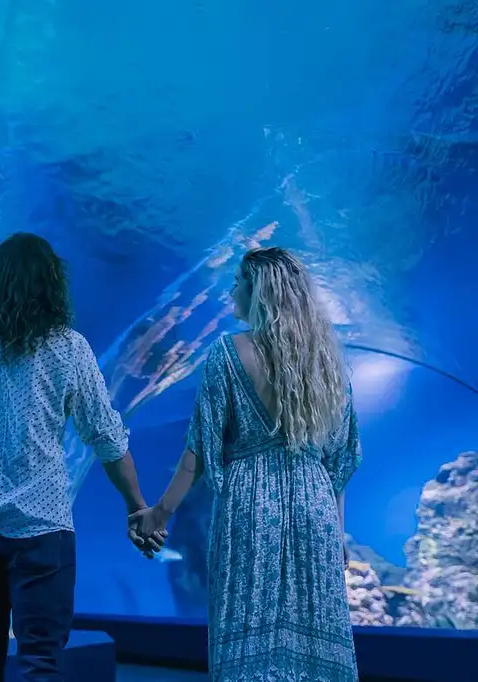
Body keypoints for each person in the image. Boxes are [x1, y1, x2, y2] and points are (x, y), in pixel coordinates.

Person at [0, 232, 163, 682]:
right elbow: (107, 438)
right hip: (41, 531)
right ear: (50, 285)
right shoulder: (68, 349)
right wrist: (137, 506)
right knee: (40, 665)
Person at [131, 246, 361, 681]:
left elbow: (197, 450)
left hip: (250, 504)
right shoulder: (329, 361)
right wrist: (337, 529)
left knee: (249, 635)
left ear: (260, 292)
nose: (231, 290)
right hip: (314, 506)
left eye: (238, 281)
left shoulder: (228, 353)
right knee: (314, 637)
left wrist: (159, 513)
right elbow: (339, 461)